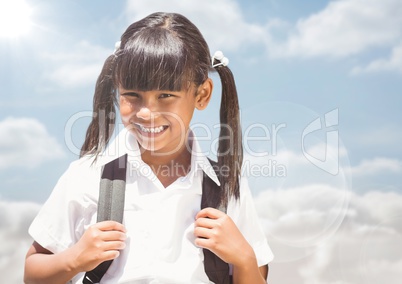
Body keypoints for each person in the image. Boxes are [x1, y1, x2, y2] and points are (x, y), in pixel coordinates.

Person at [24, 12, 274, 284]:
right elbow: (33, 273)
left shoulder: (226, 186)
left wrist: (245, 258)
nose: (146, 113)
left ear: (201, 95)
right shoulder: (87, 176)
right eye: (132, 95)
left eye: (165, 96)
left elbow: (256, 275)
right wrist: (75, 258)